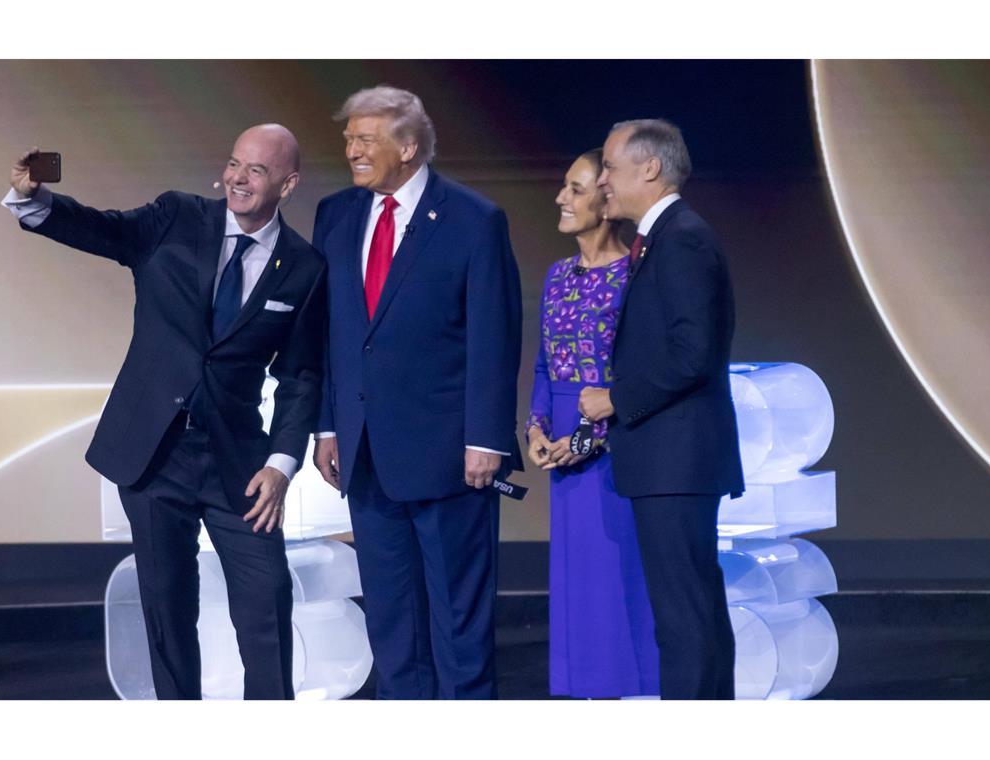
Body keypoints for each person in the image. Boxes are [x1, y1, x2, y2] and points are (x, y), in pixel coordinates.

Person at [2, 124, 326, 700]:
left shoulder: (304, 266)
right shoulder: (177, 217)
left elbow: (300, 376)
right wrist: (36, 199)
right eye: (234, 164)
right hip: (155, 455)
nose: (237, 178)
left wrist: (281, 465)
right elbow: (102, 229)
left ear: (288, 184)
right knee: (167, 610)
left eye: (256, 170)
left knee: (268, 602)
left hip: (241, 465)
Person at [310, 86, 522, 699]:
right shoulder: (336, 214)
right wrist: (327, 424)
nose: (352, 150)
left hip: (451, 455)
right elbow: (328, 331)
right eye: (349, 139)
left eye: (364, 139)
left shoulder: (473, 219)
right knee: (391, 614)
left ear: (407, 147)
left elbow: (494, 335)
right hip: (365, 453)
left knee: (457, 617)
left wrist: (486, 438)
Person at [579, 119, 744, 700]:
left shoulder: (682, 239)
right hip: (670, 459)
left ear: (649, 168)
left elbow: (692, 352)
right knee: (691, 609)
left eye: (610, 167)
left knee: (684, 617)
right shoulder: (664, 237)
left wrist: (614, 399)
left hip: (677, 460)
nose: (603, 180)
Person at [526, 148, 660, 698]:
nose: (561, 198)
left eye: (575, 189)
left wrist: (587, 438)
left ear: (606, 202)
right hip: (561, 440)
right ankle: (581, 693)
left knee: (614, 575)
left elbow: (636, 373)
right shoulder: (557, 274)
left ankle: (626, 692)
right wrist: (536, 429)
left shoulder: (633, 277)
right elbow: (545, 362)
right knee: (575, 578)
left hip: (613, 444)